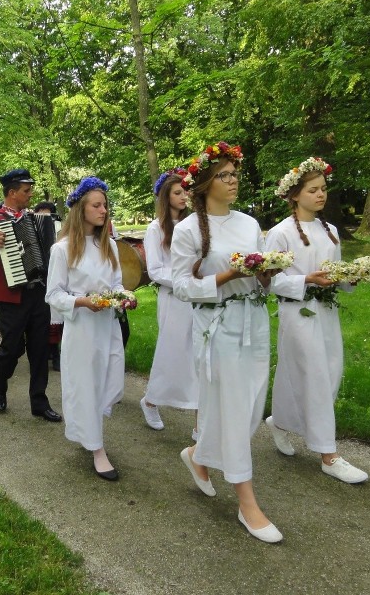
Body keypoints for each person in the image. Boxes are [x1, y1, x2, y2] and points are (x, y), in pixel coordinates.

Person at [171, 141, 284, 544]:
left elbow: (260, 274)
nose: (233, 180)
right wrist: (225, 277)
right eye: (224, 175)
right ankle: (247, 503)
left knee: (252, 406)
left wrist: (265, 274)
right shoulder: (187, 230)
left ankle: (200, 456)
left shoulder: (250, 223)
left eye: (235, 174)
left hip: (254, 318)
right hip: (218, 326)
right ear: (204, 183)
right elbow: (181, 286)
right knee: (235, 411)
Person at [264, 158, 368, 484]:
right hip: (298, 314)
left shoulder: (331, 231)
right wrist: (306, 280)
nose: (321, 195)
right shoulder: (280, 234)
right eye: (313, 190)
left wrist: (352, 277)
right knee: (316, 376)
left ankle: (279, 421)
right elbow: (268, 281)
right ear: (295, 194)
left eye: (323, 189)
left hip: (326, 312)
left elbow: (333, 274)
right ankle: (328, 455)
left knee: (329, 370)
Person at [0, 168, 62, 423]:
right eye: (26, 191)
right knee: (11, 348)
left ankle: (39, 402)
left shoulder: (34, 218)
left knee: (40, 348)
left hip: (38, 292)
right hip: (10, 295)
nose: (30, 195)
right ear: (12, 192)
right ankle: (0, 384)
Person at [46, 178, 125, 480]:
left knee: (112, 381)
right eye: (97, 205)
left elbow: (116, 283)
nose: (104, 210)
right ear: (81, 209)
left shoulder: (111, 246)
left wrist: (122, 297)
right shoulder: (62, 249)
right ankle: (96, 447)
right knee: (88, 386)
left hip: (108, 325)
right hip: (82, 330)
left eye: (105, 205)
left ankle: (88, 430)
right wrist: (82, 301)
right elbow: (53, 294)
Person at [140, 170, 197, 435]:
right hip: (174, 298)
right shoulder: (155, 229)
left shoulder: (195, 224)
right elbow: (155, 271)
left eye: (185, 191)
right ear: (165, 196)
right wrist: (185, 281)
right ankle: (151, 400)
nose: (183, 196)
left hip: (197, 298)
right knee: (171, 354)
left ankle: (200, 419)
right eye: (177, 192)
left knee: (198, 355)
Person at [34, 202, 63, 371]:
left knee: (57, 315)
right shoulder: (29, 228)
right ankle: (47, 350)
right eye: (41, 214)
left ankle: (57, 353)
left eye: (48, 215)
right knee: (45, 317)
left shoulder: (59, 228)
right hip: (40, 276)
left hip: (56, 272)